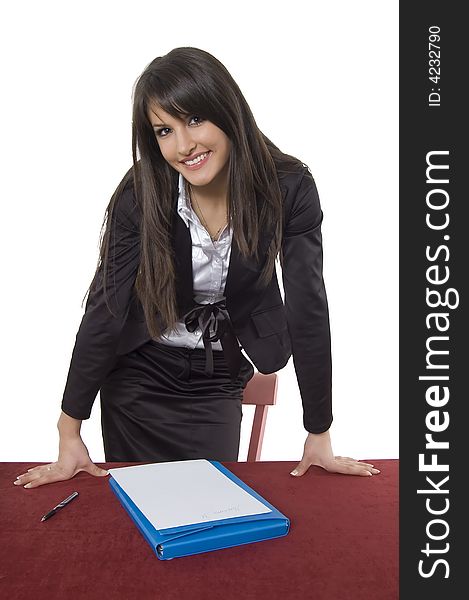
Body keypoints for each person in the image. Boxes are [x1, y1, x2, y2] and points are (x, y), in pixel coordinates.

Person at [14, 47, 380, 489]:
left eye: (194, 120)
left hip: (215, 373)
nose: (183, 146)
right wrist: (69, 428)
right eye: (164, 130)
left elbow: (308, 307)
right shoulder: (141, 192)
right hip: (138, 374)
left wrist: (318, 430)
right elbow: (106, 308)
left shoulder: (289, 188)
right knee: (140, 509)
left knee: (212, 502)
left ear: (227, 112)